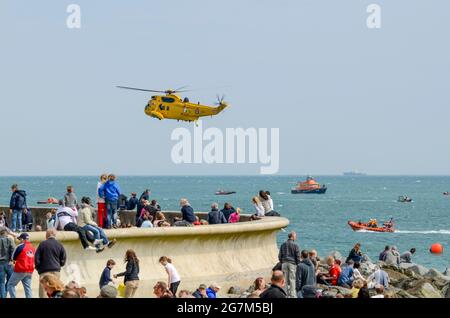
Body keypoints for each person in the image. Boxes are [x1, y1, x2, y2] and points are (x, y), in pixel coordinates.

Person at [34, 228, 67, 298]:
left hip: (44, 271)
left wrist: (38, 269)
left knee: (43, 292)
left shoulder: (42, 244)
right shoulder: (59, 244)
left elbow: (36, 258)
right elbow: (63, 258)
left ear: (48, 234)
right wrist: (59, 265)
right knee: (56, 289)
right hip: (56, 271)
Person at [7, 233, 35, 298]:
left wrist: (12, 265)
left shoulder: (20, 246)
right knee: (27, 287)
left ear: (22, 239)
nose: (19, 240)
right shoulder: (32, 247)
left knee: (10, 284)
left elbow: (13, 258)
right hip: (30, 270)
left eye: (20, 239)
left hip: (20, 269)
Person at [278, 231, 300, 298]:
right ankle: (293, 295)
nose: (296, 237)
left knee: (285, 279)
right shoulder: (295, 245)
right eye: (295, 236)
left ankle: (285, 294)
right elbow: (298, 256)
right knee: (292, 279)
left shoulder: (283, 244)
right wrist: (297, 264)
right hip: (292, 263)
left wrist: (282, 262)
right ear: (292, 237)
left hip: (284, 263)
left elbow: (279, 255)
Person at [0, 227, 15, 298]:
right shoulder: (10, 240)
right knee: (10, 281)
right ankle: (5, 293)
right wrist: (12, 261)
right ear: (6, 232)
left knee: (1, 282)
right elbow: (14, 252)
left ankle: (3, 295)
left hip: (0, 264)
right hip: (9, 263)